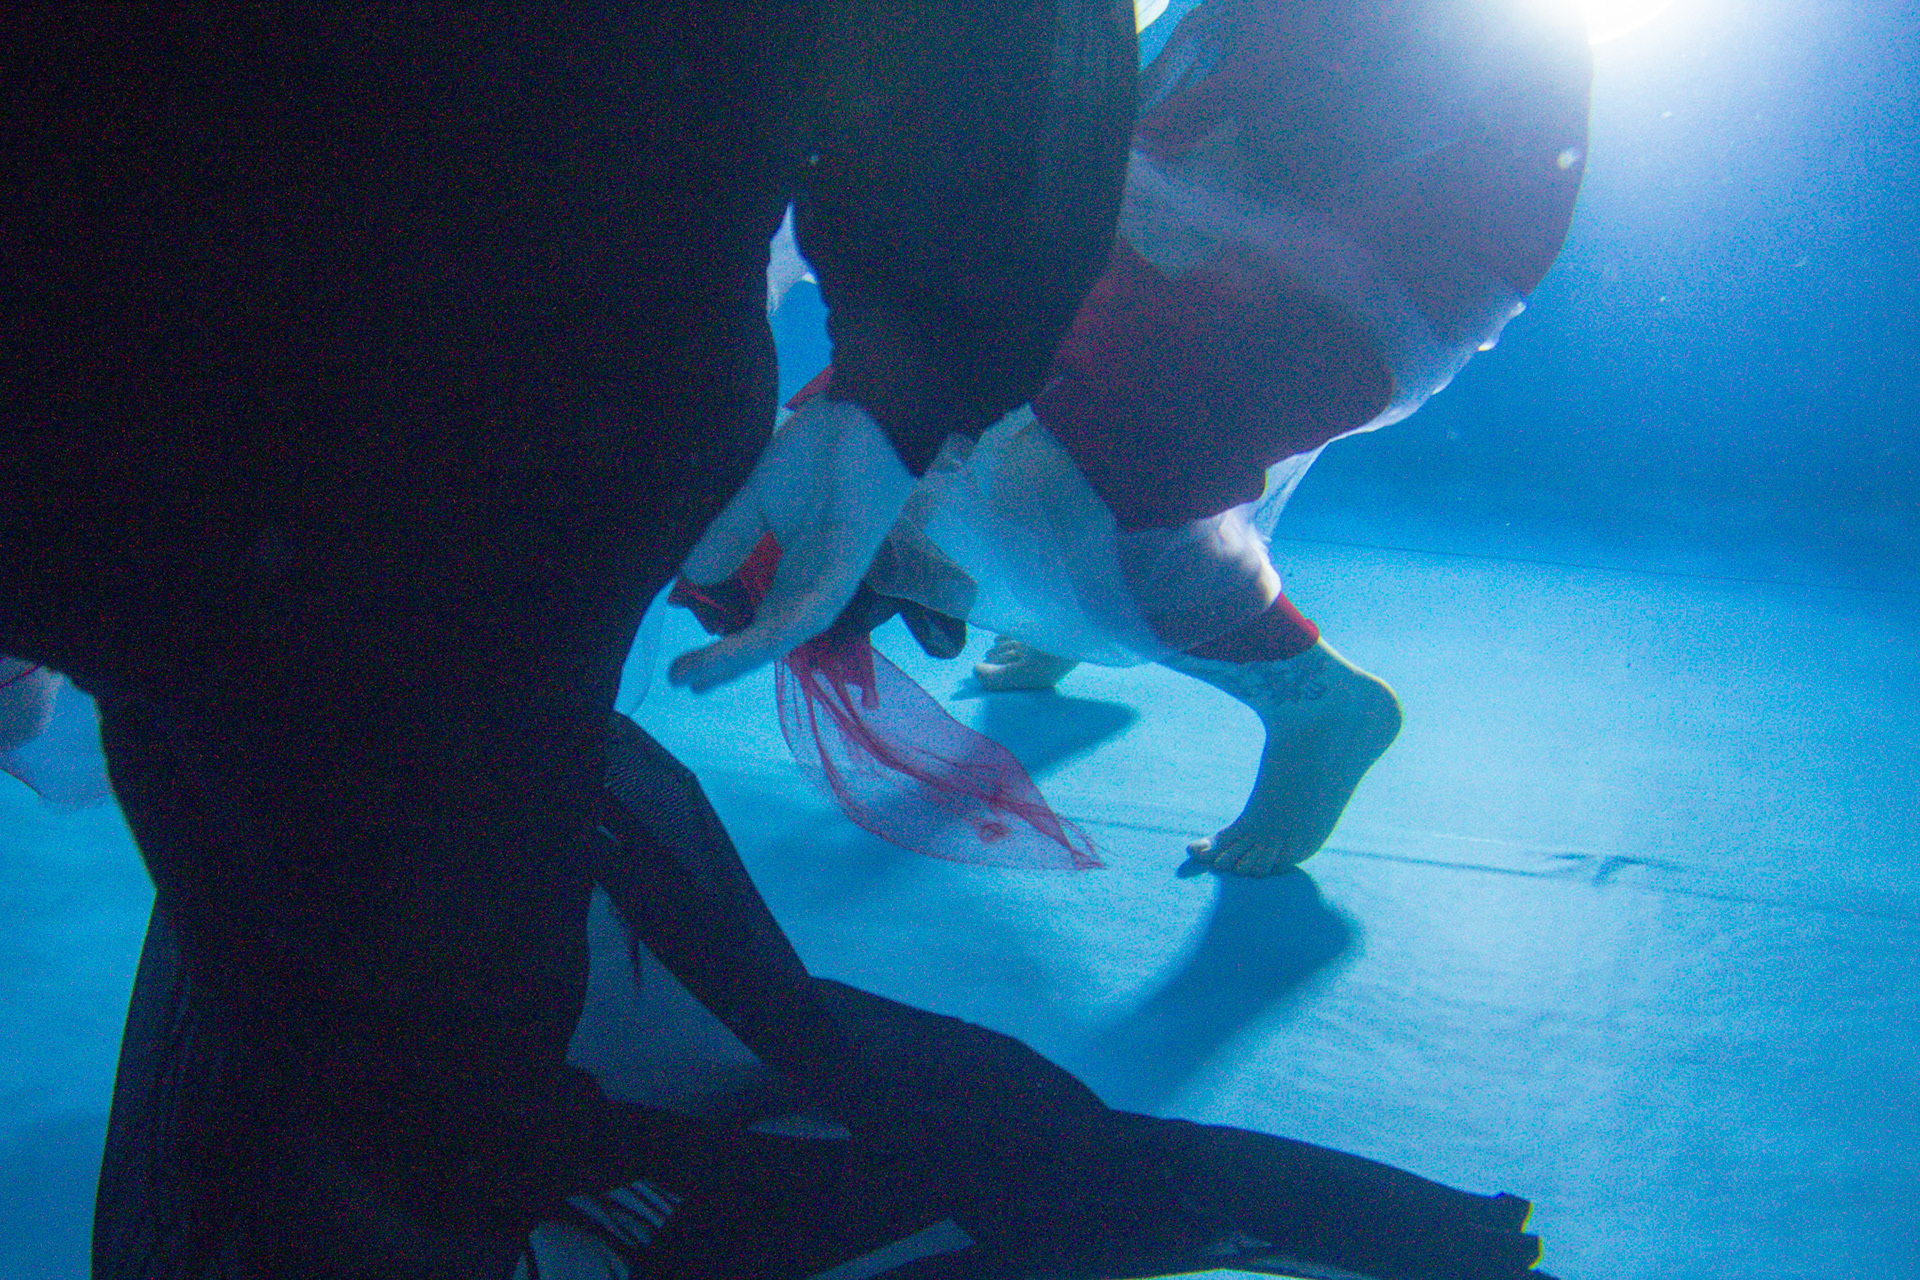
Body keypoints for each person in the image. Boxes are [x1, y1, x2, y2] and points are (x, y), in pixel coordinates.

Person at [3, 5, 1136, 1275]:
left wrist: (910, 362)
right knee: (396, 992)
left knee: (386, 998)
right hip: (493, 401)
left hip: (450, 417)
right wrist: (905, 374)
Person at [751, 0, 1592, 876]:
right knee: (976, 395)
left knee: (1083, 463)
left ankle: (1317, 701)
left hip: (1380, 220)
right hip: (1223, 144)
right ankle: (1060, 606)